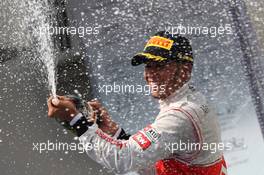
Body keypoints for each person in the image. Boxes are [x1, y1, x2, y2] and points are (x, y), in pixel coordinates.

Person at [47, 31, 227, 175]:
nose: (151, 74)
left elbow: (123, 159)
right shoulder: (190, 101)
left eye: (160, 65)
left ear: (185, 69)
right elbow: (153, 163)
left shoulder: (180, 115)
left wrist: (77, 122)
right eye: (148, 66)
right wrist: (114, 132)